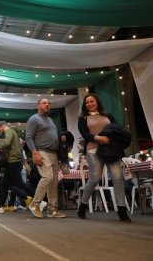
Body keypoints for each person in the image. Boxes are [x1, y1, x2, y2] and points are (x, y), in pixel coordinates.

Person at [77, 93, 131, 222]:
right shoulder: (83, 118)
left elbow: (117, 129)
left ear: (97, 102)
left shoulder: (107, 116)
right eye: (87, 102)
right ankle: (82, 206)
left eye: (92, 101)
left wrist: (109, 138)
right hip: (93, 149)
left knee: (117, 179)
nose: (89, 104)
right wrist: (98, 137)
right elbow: (85, 134)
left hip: (110, 150)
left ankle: (122, 211)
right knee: (94, 178)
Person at [25, 99, 66, 219]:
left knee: (53, 182)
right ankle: (34, 204)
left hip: (54, 154)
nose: (47, 104)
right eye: (44, 102)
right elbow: (28, 137)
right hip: (42, 152)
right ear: (38, 105)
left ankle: (52, 210)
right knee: (48, 177)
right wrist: (34, 152)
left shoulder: (50, 120)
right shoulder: (34, 119)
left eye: (49, 103)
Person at [0, 121, 33, 214]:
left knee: (19, 184)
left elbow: (7, 143)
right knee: (6, 185)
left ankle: (35, 198)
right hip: (13, 162)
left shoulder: (9, 131)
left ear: (2, 126)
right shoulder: (13, 132)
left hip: (13, 162)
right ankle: (0, 206)